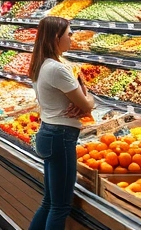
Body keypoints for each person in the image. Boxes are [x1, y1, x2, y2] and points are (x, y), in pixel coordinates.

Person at [27, 17, 94, 230]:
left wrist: (80, 102)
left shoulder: (42, 64)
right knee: (60, 207)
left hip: (48, 132)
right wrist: (88, 97)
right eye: (69, 34)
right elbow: (87, 104)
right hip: (61, 137)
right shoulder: (57, 69)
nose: (72, 38)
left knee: (49, 202)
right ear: (57, 38)